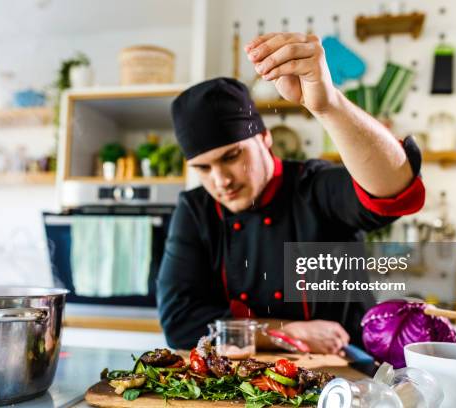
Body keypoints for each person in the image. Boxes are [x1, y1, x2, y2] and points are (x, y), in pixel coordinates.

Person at [156, 32, 425, 354]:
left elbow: (395, 191)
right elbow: (180, 325)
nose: (221, 180)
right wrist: (285, 332)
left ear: (266, 139)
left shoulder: (314, 185)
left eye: (231, 157)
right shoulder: (196, 209)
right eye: (203, 168)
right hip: (242, 385)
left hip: (346, 375)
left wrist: (327, 105)